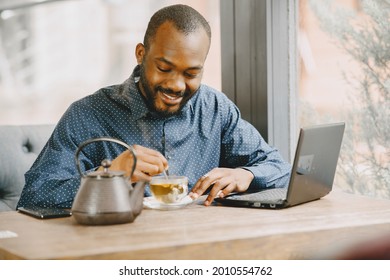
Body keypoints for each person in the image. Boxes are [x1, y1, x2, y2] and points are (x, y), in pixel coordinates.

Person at [17, 4, 291, 209]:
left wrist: (246, 174)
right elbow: (35, 196)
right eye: (164, 68)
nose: (176, 85)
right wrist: (110, 175)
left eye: (191, 73)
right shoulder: (88, 114)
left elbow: (278, 167)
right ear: (140, 54)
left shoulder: (214, 108)